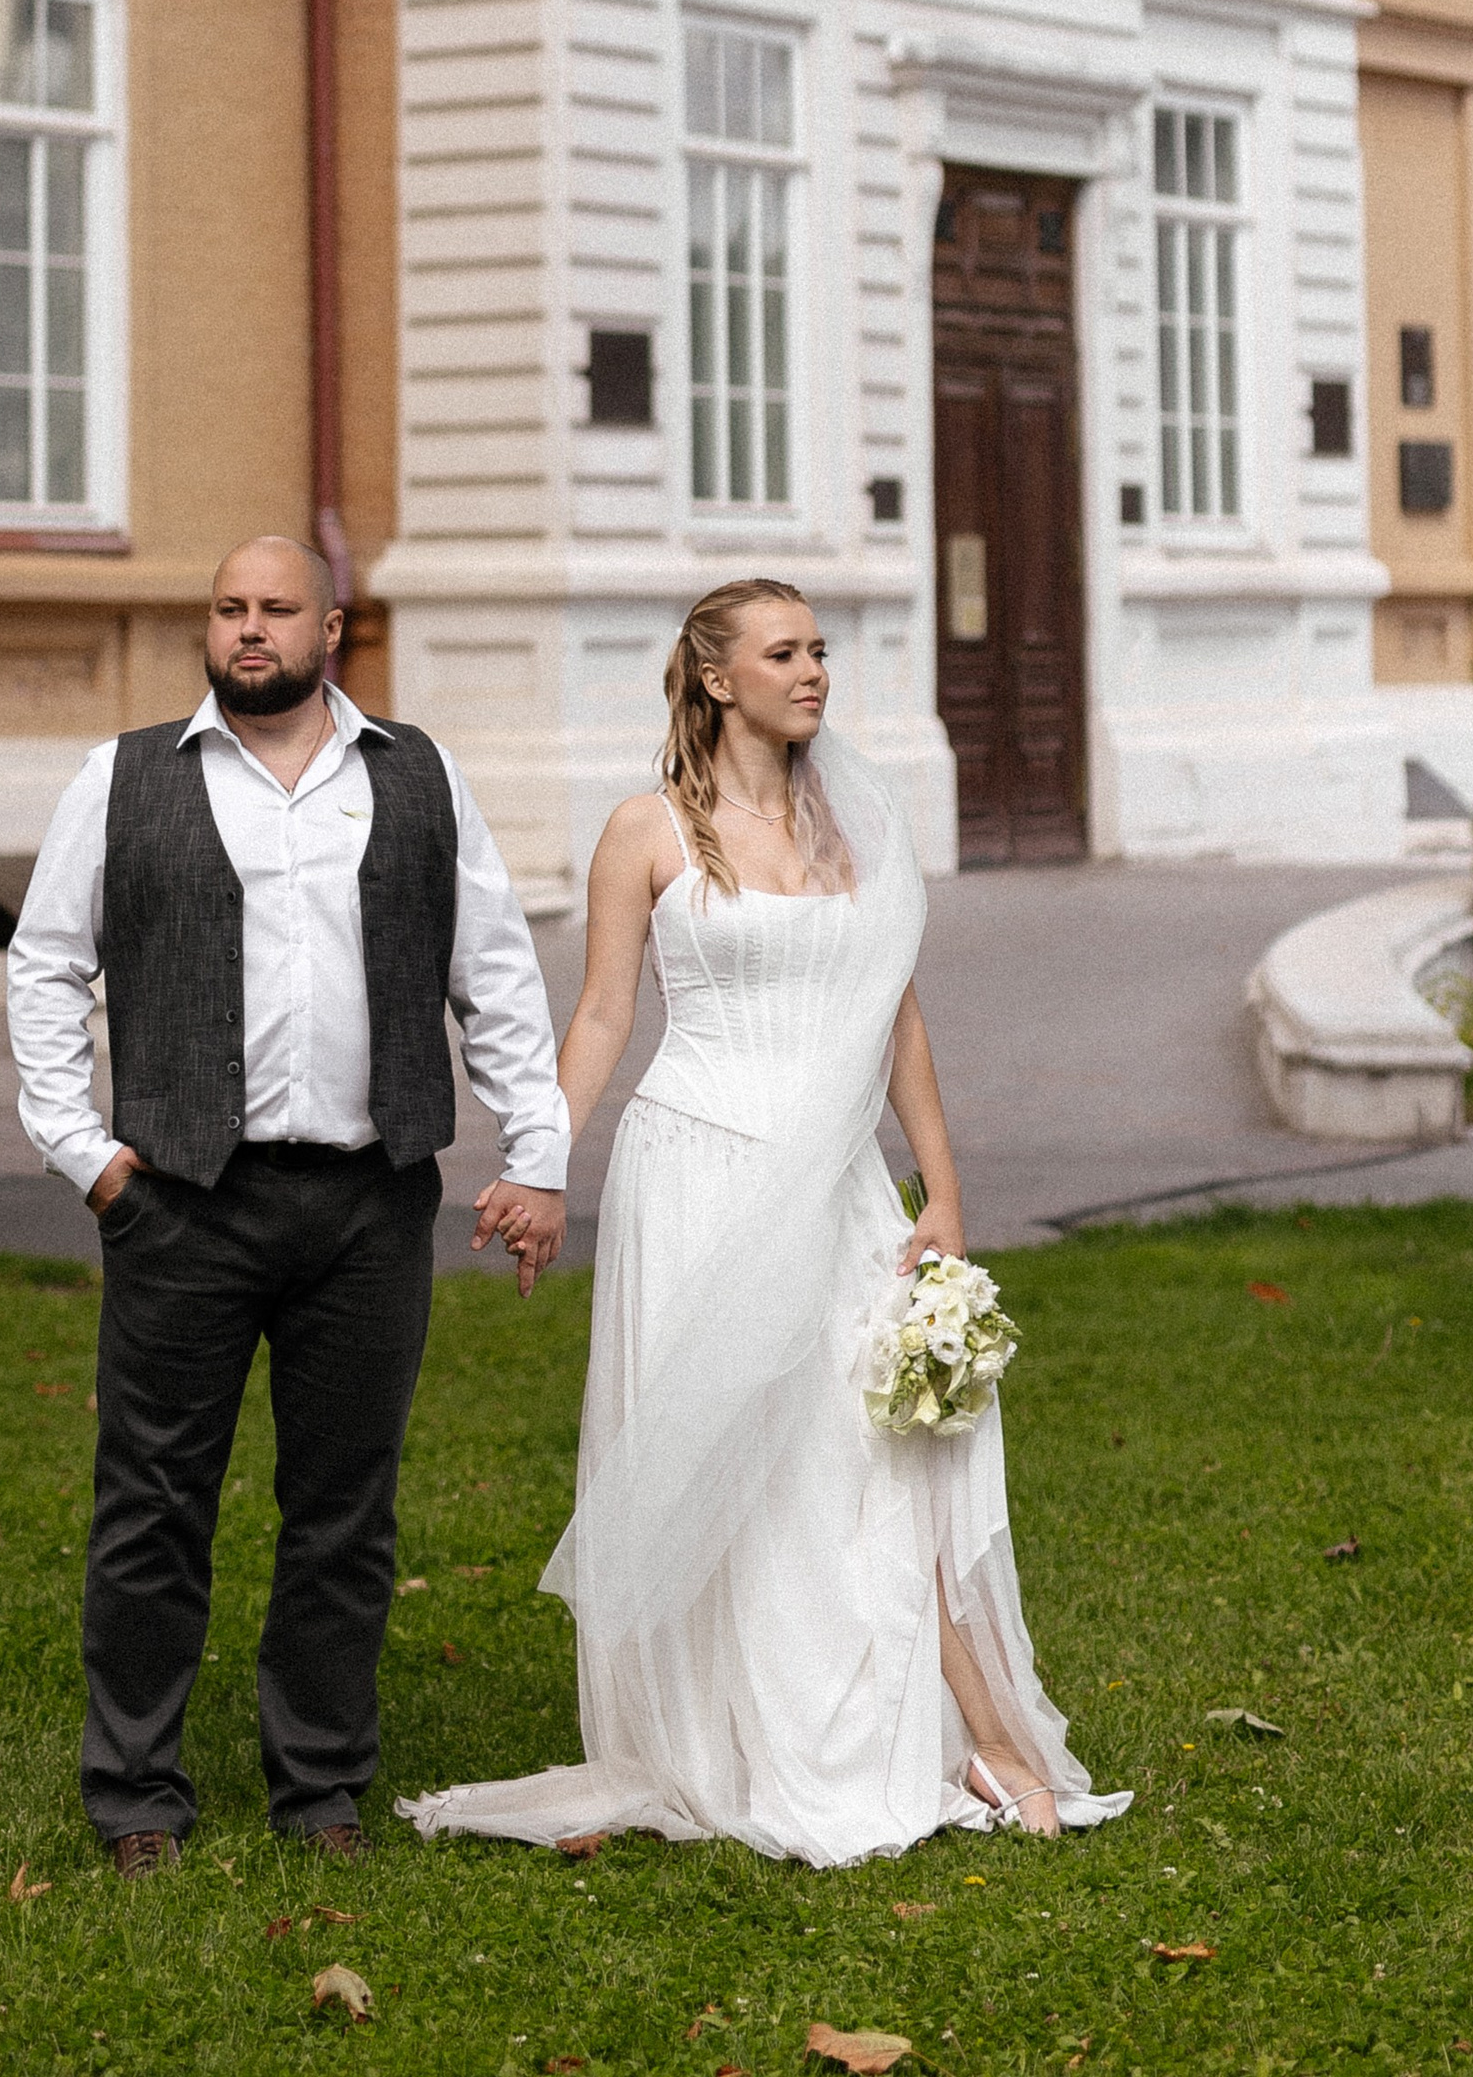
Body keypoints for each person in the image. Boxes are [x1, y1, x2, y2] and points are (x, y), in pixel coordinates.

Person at [399, 576, 1129, 1866]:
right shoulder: (645, 833)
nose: (814, 672)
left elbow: (894, 1015)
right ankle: (737, 1733)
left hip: (842, 1181)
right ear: (719, 678)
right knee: (740, 1457)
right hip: (697, 1172)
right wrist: (542, 1160)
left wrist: (942, 1191)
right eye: (784, 652)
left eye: (821, 649)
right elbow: (607, 1020)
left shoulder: (850, 829)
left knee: (878, 1451)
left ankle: (956, 1727)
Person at [8, 535, 569, 1874]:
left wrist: (536, 1149)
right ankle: (136, 1792)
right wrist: (84, 1153)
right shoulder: (125, 777)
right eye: (228, 609)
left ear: (334, 625)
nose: (249, 629)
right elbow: (43, 970)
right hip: (184, 1202)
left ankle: (320, 1785)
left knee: (344, 1511)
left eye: (276, 609)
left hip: (370, 1206)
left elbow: (491, 973)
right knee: (153, 1505)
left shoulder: (416, 777)